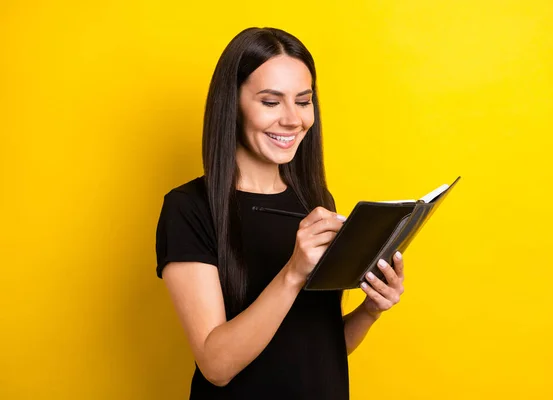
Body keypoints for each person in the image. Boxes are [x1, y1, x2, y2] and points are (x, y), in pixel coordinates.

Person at [155, 27, 406, 399]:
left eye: (303, 102)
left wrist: (370, 310)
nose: (292, 120)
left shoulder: (316, 202)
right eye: (271, 102)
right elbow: (216, 366)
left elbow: (319, 351)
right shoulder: (189, 207)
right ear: (233, 105)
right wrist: (292, 274)